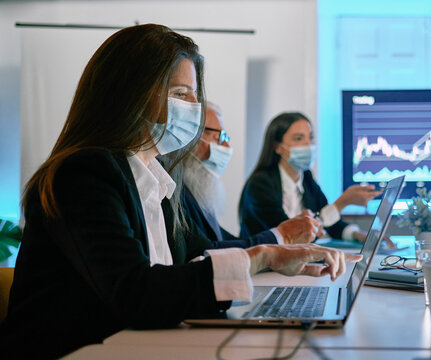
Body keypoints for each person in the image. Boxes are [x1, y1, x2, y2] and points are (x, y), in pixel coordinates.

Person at [0, 25, 361, 359]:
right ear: (128, 94)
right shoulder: (83, 173)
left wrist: (277, 258)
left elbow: (196, 254)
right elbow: (135, 293)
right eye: (179, 94)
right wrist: (263, 256)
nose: (192, 108)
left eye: (193, 96)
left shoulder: (157, 177)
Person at [175, 102, 320, 256]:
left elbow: (223, 242)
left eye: (311, 138)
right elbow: (207, 251)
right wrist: (283, 235)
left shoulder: (307, 178)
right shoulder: (178, 194)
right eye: (219, 136)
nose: (227, 144)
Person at [239, 112, 395, 246]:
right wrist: (342, 203)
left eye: (311, 137)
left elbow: (329, 222)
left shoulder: (306, 177)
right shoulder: (260, 184)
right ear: (277, 147)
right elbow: (292, 234)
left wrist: (357, 234)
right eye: (299, 138)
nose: (308, 144)